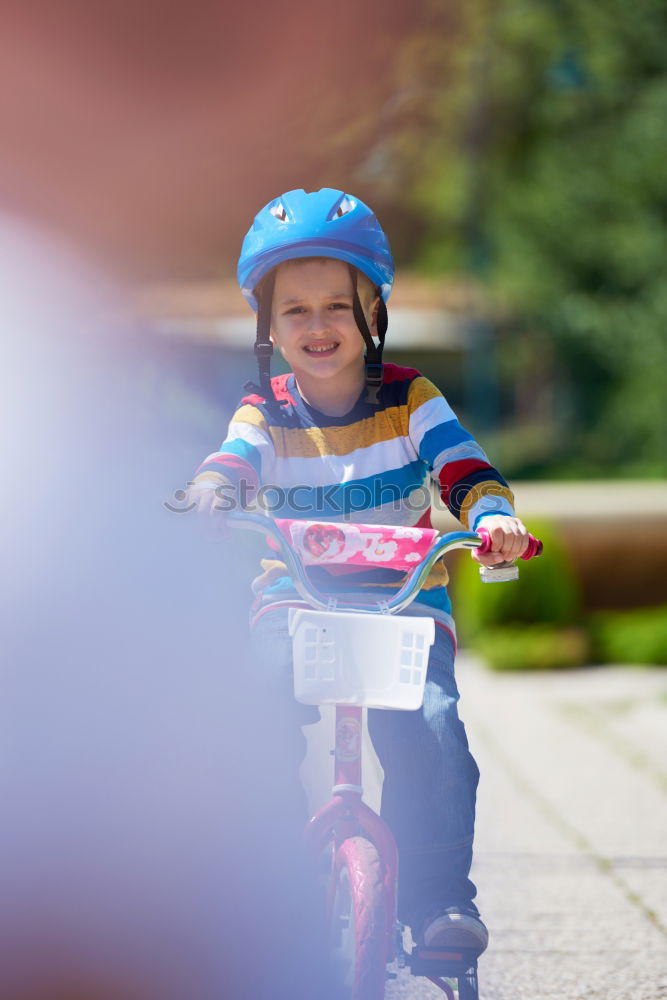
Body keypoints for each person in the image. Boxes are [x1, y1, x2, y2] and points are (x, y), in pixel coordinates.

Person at [186, 188, 531, 952]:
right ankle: (269, 876)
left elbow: (464, 467)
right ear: (266, 328)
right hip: (296, 599)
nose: (316, 326)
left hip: (402, 600)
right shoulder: (263, 405)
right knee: (250, 713)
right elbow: (234, 457)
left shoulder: (410, 399)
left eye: (337, 308)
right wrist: (213, 490)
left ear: (373, 315)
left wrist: (489, 516)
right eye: (294, 311)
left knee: (433, 727)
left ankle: (440, 902)